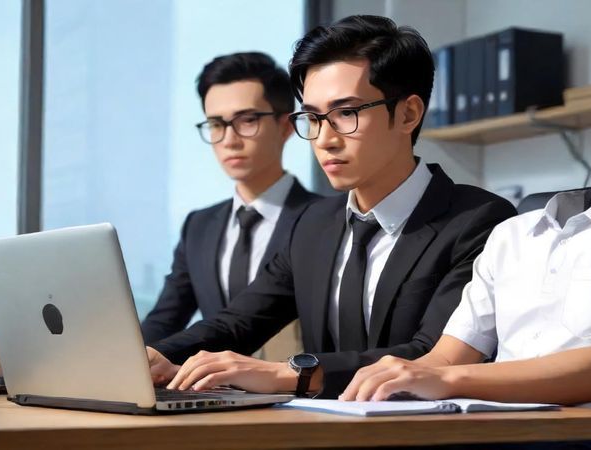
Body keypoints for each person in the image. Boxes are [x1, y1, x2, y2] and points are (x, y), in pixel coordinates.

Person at [146, 15, 516, 399]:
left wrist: (286, 374)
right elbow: (238, 322)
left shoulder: (480, 221)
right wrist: (154, 354)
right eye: (313, 117)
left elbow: (429, 357)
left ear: (408, 114)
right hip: (321, 430)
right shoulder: (314, 224)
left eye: (346, 113)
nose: (324, 139)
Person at [341, 185, 591, 418]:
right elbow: (447, 356)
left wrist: (447, 380)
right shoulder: (510, 233)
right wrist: (395, 381)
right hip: (491, 425)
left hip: (588, 433)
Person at [141, 52, 319, 360]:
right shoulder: (199, 226)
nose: (229, 139)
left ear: (286, 126)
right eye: (216, 124)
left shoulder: (325, 221)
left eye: (247, 120)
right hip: (215, 394)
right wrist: (125, 363)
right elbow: (165, 320)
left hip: (301, 396)